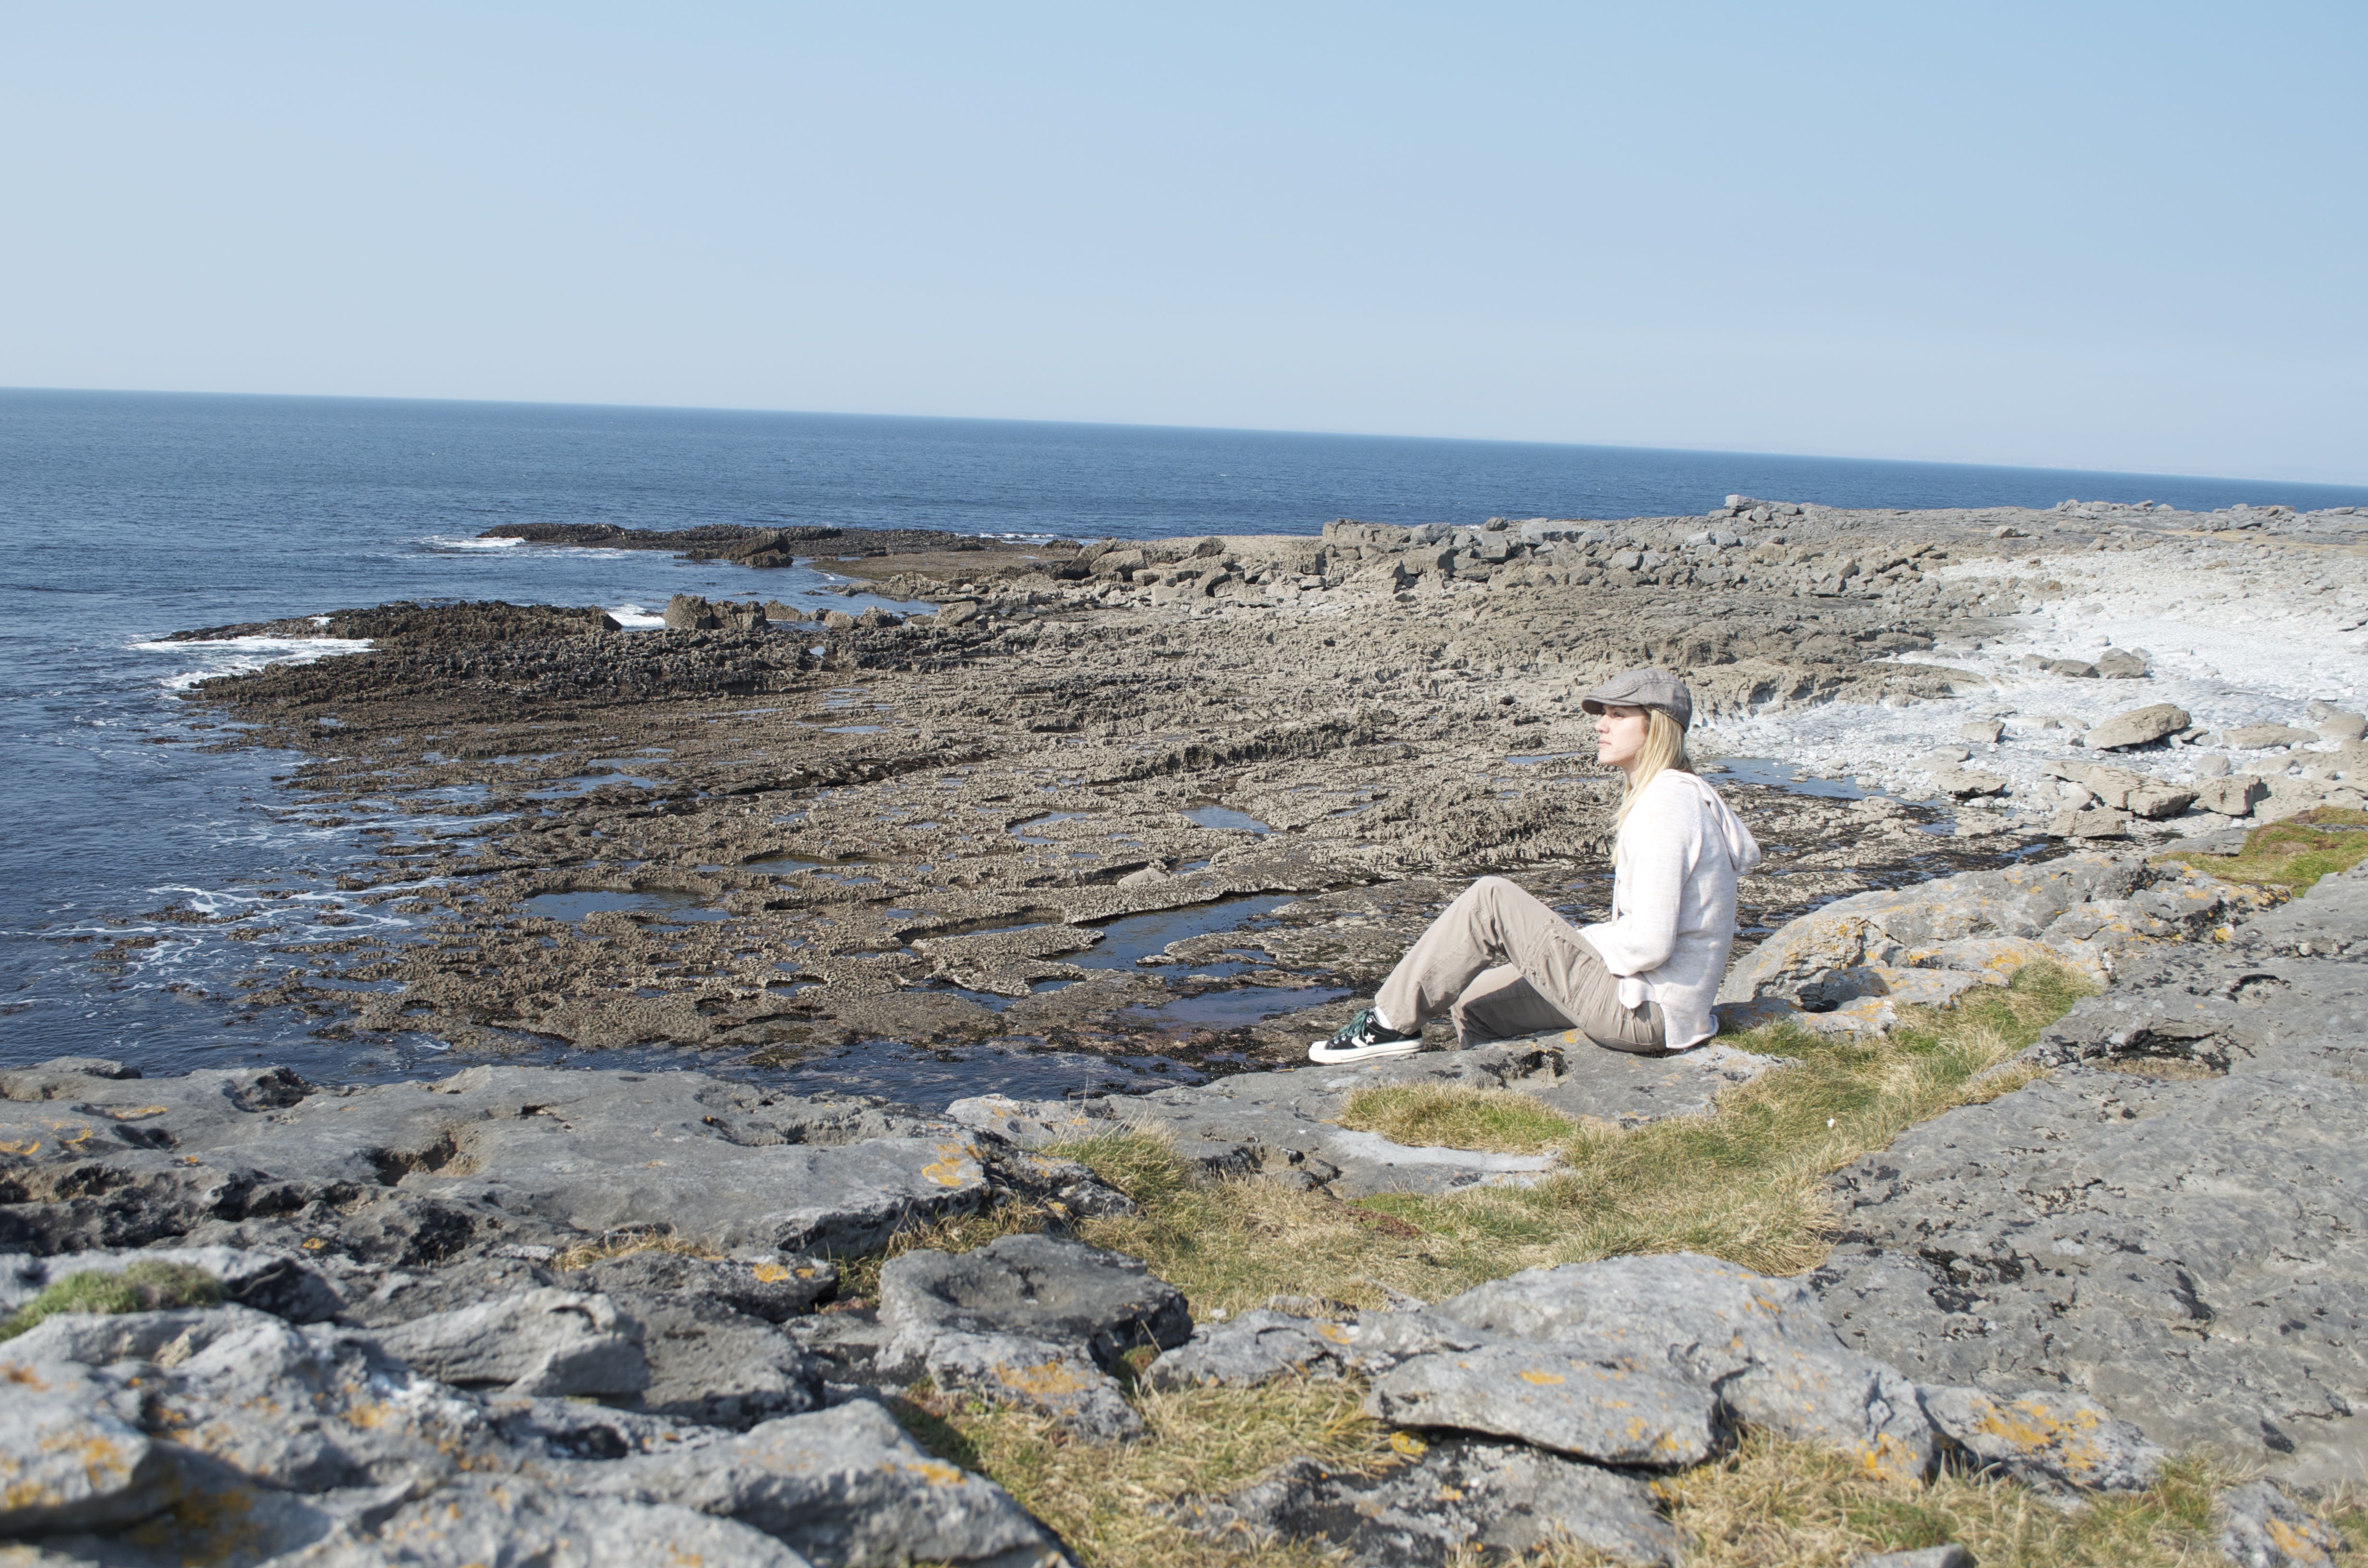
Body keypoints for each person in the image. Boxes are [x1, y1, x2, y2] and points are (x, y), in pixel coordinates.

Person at [1309, 667, 1761, 1064]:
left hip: (1651, 1012)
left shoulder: (1667, 806)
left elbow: (1649, 943)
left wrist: (1571, 943)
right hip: (1651, 1001)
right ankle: (1489, 1089)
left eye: (1618, 715)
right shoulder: (1675, 795)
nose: (1601, 725)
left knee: (1491, 899)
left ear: (1657, 726)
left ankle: (1387, 1022)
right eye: (1603, 714)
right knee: (1472, 1001)